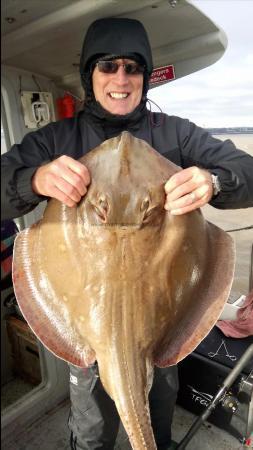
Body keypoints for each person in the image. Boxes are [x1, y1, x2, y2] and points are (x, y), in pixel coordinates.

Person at [1, 17, 253, 450]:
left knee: (157, 407)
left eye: (133, 68)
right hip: (88, 320)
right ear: (90, 75)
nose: (121, 78)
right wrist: (35, 180)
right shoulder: (58, 138)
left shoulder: (176, 133)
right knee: (94, 428)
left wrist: (214, 182)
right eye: (108, 66)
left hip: (161, 317)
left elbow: (248, 172)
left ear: (145, 76)